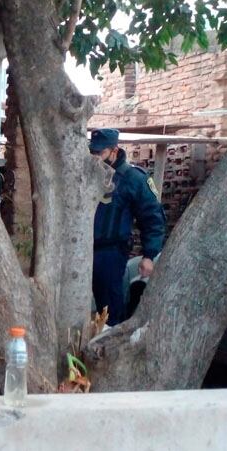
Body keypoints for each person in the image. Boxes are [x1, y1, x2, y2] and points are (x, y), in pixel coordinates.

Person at [89, 128, 165, 326]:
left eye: (101, 153)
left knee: (110, 310)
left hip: (110, 253)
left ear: (114, 150)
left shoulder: (134, 178)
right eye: (93, 153)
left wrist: (149, 255)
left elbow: (153, 219)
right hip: (82, 251)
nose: (96, 158)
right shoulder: (88, 174)